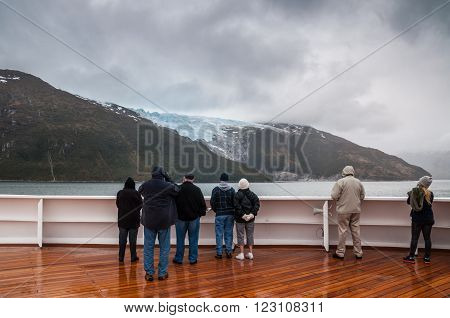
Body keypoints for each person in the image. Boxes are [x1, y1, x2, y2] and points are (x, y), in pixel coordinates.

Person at [138, 166, 179, 281]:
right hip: (164, 221)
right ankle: (162, 273)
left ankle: (149, 273)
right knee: (164, 248)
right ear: (162, 175)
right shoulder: (167, 186)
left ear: (152, 174)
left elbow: (140, 191)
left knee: (148, 247)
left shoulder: (145, 185)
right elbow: (177, 190)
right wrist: (169, 178)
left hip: (149, 220)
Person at [331, 166, 366, 260]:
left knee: (343, 231)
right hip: (356, 210)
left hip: (343, 210)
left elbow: (334, 196)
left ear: (344, 172)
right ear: (353, 172)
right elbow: (362, 196)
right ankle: (359, 253)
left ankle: (340, 253)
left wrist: (340, 200)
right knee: (356, 231)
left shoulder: (341, 182)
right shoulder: (358, 182)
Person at [173, 174, 207, 265]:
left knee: (180, 239)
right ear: (193, 179)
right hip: (194, 218)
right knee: (193, 239)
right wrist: (200, 214)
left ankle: (179, 258)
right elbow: (203, 205)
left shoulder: (179, 189)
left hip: (180, 219)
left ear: (184, 178)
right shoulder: (197, 190)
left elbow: (173, 203)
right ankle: (192, 259)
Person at [403, 176, 434, 264]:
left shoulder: (415, 192)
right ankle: (427, 258)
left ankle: (411, 257)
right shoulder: (430, 193)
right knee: (427, 238)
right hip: (428, 218)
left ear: (421, 183)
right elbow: (429, 204)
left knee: (415, 238)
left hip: (417, 219)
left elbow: (409, 202)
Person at [116, 177, 142, 263]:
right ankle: (133, 257)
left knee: (122, 240)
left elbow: (118, 204)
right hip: (134, 220)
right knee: (132, 240)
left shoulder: (120, 193)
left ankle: (121, 257)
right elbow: (140, 205)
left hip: (123, 219)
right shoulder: (136, 193)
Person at [210, 173, 235, 259]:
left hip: (219, 214)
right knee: (229, 233)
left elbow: (212, 202)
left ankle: (219, 253)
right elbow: (235, 203)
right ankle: (229, 252)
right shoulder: (232, 190)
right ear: (227, 180)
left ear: (220, 179)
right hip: (230, 214)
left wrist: (216, 210)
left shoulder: (216, 190)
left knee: (219, 234)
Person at [234, 178, 260, 260]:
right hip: (251, 219)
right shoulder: (253, 195)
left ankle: (241, 253)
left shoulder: (237, 195)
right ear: (248, 185)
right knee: (250, 235)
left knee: (240, 235)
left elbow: (236, 206)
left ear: (239, 186)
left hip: (239, 219)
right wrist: (251, 214)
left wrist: (243, 215)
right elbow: (257, 205)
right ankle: (250, 253)